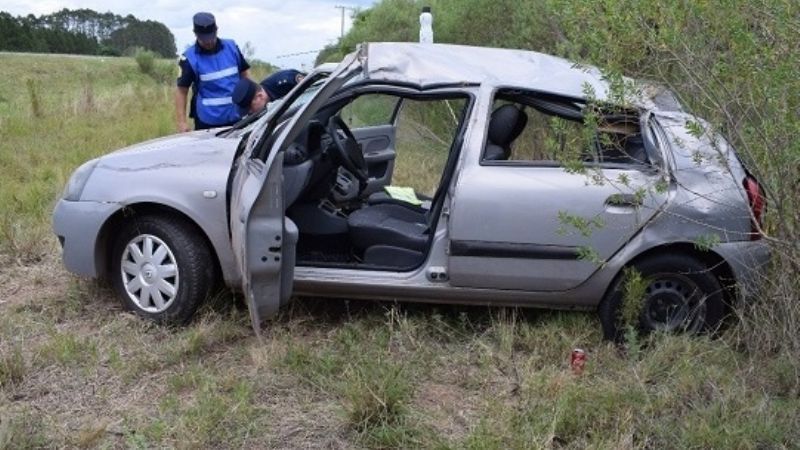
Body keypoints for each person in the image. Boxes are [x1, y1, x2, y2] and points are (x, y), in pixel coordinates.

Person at [175, 12, 251, 131]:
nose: (208, 42)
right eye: (204, 39)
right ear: (196, 34)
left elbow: (245, 76)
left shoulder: (232, 47)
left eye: (211, 37)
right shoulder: (189, 58)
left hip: (237, 117)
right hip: (207, 122)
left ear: (216, 30)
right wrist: (181, 123)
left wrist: (252, 102)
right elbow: (181, 91)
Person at [231, 69, 305, 116]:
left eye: (250, 108)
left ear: (260, 96)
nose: (250, 112)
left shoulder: (286, 81)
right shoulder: (263, 106)